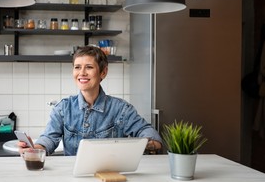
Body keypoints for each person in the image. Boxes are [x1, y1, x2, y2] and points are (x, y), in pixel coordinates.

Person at [19, 46, 162, 155]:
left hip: (110, 177)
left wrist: (146, 144)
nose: (81, 73)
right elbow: (49, 139)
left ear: (103, 72)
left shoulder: (121, 109)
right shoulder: (63, 108)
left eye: (89, 67)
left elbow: (149, 133)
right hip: (74, 180)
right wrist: (35, 149)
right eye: (77, 67)